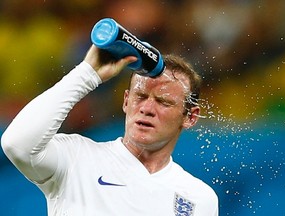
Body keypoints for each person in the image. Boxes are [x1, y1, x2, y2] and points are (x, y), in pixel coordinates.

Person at [1, 44, 218, 215]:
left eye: (163, 102)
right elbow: (16, 144)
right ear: (126, 101)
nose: (147, 108)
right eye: (140, 96)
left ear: (190, 117)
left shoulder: (199, 198)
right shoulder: (77, 157)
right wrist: (87, 74)